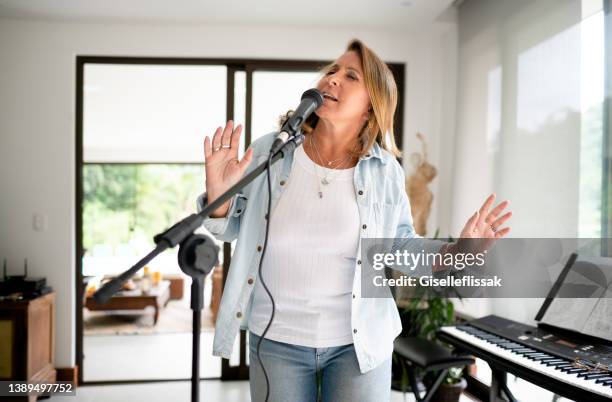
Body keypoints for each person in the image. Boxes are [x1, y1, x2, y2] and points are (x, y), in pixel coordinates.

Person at [198, 39, 512, 402]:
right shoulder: (272, 150)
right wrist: (218, 198)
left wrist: (461, 250)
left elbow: (400, 248)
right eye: (331, 71)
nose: (332, 79)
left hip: (357, 346)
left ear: (370, 107)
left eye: (350, 76)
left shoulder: (385, 172)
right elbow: (230, 227)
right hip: (276, 341)